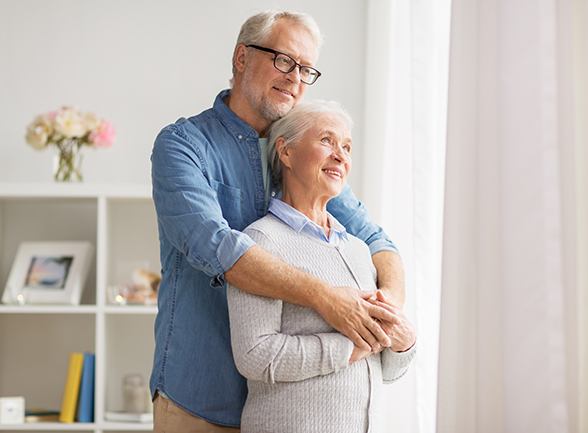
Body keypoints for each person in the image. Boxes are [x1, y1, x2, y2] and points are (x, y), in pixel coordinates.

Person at [149, 10, 406, 432]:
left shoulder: (303, 155)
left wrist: (387, 310)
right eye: (284, 60)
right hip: (198, 394)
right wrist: (327, 298)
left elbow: (377, 242)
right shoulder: (183, 146)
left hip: (283, 406)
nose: (295, 78)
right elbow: (221, 250)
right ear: (241, 58)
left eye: (306, 69)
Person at [227, 100, 417, 433]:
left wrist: (404, 344)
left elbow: (383, 369)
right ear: (285, 152)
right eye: (327, 140)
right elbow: (255, 355)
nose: (341, 155)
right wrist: (347, 348)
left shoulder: (359, 250)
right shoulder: (261, 241)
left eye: (346, 147)